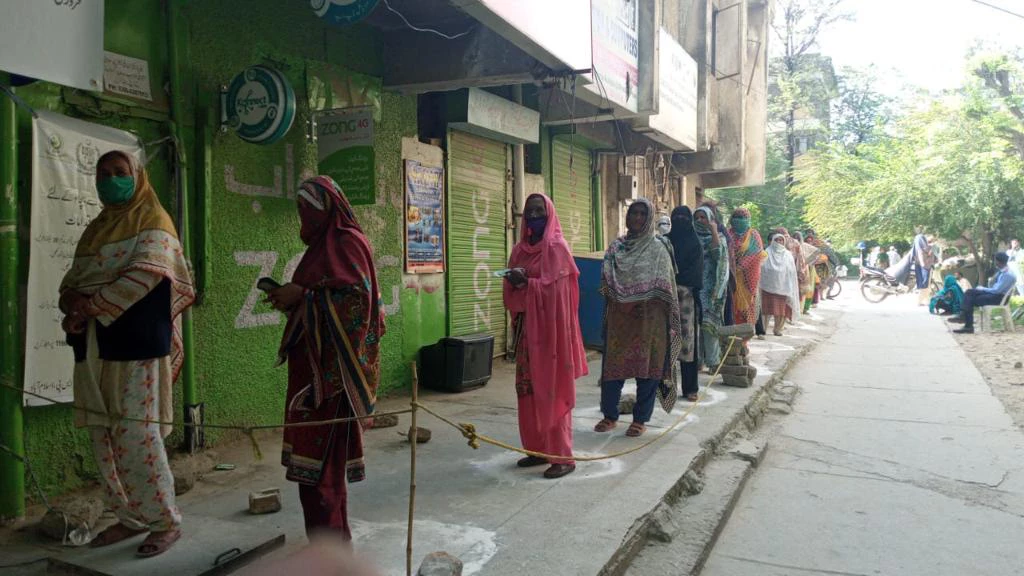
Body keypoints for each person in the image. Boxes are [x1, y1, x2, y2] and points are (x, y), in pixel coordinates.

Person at [60, 150, 195, 557]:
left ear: (138, 178)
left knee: (137, 434)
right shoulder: (95, 228)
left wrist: (90, 303)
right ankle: (129, 516)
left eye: (120, 173)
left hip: (136, 345)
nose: (111, 180)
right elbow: (72, 281)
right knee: (102, 433)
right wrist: (71, 302)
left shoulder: (155, 221)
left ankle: (165, 520)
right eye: (104, 174)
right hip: (94, 346)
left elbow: (145, 275)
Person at [267, 176, 385, 541]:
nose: (304, 214)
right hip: (311, 375)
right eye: (299, 207)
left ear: (330, 207)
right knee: (310, 474)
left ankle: (332, 554)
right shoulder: (321, 246)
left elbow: (357, 305)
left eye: (310, 206)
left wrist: (302, 296)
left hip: (332, 382)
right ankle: (327, 550)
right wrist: (293, 298)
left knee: (322, 476)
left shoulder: (346, 242)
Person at [503, 194, 588, 479]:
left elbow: (561, 296)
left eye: (540, 211)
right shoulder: (519, 250)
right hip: (528, 332)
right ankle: (537, 450)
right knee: (527, 390)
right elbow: (512, 294)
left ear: (549, 213)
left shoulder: (557, 249)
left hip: (552, 333)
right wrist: (515, 281)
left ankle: (562, 456)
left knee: (552, 389)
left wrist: (529, 284)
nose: (535, 216)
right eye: (530, 212)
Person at [595, 198, 682, 438]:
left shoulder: (658, 248)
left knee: (648, 370)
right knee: (613, 368)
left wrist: (642, 301)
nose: (637, 218)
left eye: (643, 214)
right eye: (633, 213)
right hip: (620, 318)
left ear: (650, 218)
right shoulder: (616, 248)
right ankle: (609, 415)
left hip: (650, 319)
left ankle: (640, 419)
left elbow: (665, 287)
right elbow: (606, 281)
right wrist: (623, 300)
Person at [667, 206, 704, 402]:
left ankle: (690, 388)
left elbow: (695, 273)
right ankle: (664, 388)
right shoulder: (666, 242)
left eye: (684, 217)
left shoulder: (695, 244)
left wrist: (676, 279)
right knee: (665, 344)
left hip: (686, 298)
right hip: (664, 297)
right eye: (677, 217)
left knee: (687, 344)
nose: (680, 220)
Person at [694, 206, 730, 370]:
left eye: (704, 218)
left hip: (712, 289)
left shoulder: (720, 237)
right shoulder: (691, 237)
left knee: (710, 326)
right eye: (698, 218)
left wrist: (713, 231)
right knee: (696, 326)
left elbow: (717, 254)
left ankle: (713, 362)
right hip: (694, 288)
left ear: (711, 219)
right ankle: (698, 361)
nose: (700, 221)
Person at [949, 252, 1017, 334]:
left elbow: (996, 290)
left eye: (995, 260)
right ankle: (964, 318)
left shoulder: (1007, 275)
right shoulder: (1002, 271)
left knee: (971, 299)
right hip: (995, 295)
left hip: (999, 298)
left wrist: (982, 289)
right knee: (969, 292)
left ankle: (967, 324)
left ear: (998, 262)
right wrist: (990, 282)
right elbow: (993, 286)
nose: (995, 262)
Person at [727, 208, 766, 327]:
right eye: (736, 217)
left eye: (742, 218)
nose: (739, 220)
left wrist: (740, 266)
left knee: (746, 308)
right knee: (731, 305)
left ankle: (744, 340)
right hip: (730, 276)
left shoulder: (753, 235)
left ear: (748, 220)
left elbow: (756, 253)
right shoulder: (728, 233)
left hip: (748, 278)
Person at [760, 231, 801, 336]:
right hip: (767, 286)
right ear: (773, 241)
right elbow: (762, 267)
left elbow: (791, 271)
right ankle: (763, 329)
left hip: (783, 286)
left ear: (784, 242)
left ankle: (778, 330)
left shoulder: (788, 255)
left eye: (781, 240)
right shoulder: (767, 252)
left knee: (781, 311)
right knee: (765, 310)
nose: (779, 242)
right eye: (777, 240)